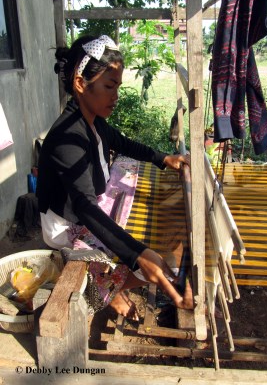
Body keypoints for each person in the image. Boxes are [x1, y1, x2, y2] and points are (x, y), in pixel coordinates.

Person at [36, 34, 193, 320]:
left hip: (87, 203)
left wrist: (163, 159)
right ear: (81, 84)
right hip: (66, 225)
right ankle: (101, 290)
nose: (116, 96)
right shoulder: (66, 139)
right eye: (109, 86)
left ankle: (111, 282)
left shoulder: (92, 122)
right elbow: (84, 207)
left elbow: (122, 143)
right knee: (155, 262)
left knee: (128, 170)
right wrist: (138, 254)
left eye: (117, 86)